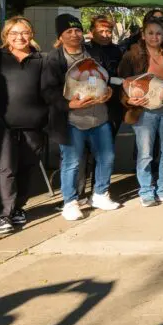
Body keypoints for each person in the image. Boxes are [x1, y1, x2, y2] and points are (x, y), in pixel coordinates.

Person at [41, 14, 119, 221]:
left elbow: (107, 76)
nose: (75, 34)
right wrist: (68, 104)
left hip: (99, 117)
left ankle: (100, 194)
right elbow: (48, 91)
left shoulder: (94, 53)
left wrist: (109, 92)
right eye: (69, 31)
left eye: (77, 30)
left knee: (107, 157)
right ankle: (71, 202)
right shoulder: (54, 59)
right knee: (72, 162)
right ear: (61, 36)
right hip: (71, 120)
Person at [0, 16, 47, 234]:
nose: (19, 37)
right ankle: (1, 215)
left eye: (24, 32)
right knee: (5, 169)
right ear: (6, 35)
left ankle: (17, 208)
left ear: (31, 34)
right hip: (1, 124)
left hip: (33, 124)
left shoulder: (41, 60)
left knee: (27, 166)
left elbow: (49, 89)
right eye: (14, 33)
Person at [118, 18, 163, 207]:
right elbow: (122, 82)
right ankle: (146, 191)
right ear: (143, 35)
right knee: (145, 153)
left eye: (159, 33)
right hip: (143, 110)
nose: (155, 36)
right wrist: (128, 99)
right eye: (150, 33)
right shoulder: (132, 55)